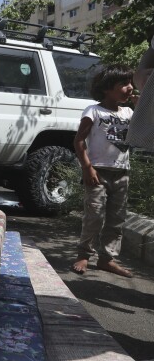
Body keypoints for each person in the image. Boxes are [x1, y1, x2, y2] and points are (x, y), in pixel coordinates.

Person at [71, 64, 138, 278]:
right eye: (124, 84)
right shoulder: (94, 111)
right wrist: (87, 168)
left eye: (131, 83)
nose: (130, 88)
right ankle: (84, 254)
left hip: (122, 172)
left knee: (116, 218)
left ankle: (107, 259)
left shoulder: (130, 112)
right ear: (107, 88)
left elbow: (145, 132)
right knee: (95, 216)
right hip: (97, 171)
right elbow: (79, 140)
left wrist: (143, 108)